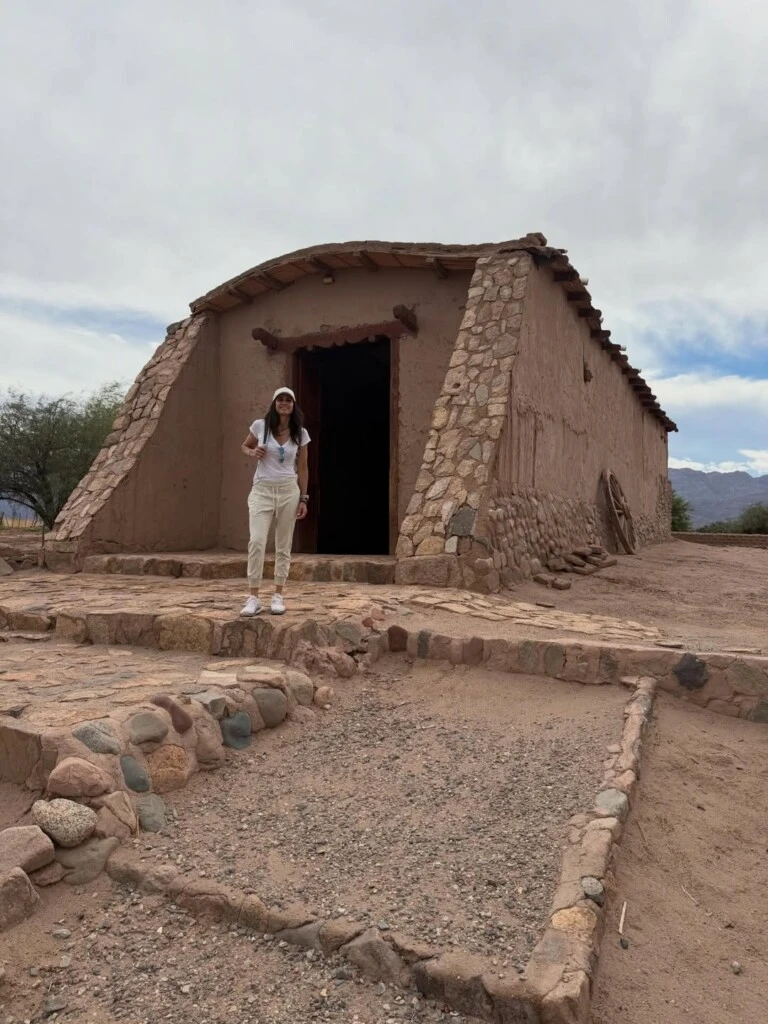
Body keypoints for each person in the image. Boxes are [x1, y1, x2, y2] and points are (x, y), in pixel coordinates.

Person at [240, 387, 310, 616]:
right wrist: (253, 453)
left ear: (293, 405)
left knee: (283, 544)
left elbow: (303, 467)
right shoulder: (260, 426)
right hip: (262, 490)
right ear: (274, 403)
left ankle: (278, 594)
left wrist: (303, 498)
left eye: (288, 400)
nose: (283, 403)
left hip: (288, 490)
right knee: (257, 541)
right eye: (280, 399)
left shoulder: (300, 433)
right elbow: (245, 446)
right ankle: (253, 597)